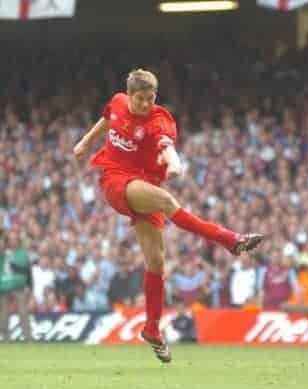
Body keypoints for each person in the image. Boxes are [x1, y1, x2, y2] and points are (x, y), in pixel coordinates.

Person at [73, 69, 265, 363]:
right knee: (165, 200)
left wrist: (174, 164)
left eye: (151, 98)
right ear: (130, 95)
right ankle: (229, 240)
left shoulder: (158, 120)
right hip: (115, 180)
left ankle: (152, 329)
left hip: (144, 182)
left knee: (156, 262)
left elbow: (167, 146)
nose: (146, 104)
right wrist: (86, 142)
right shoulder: (118, 102)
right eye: (140, 99)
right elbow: (107, 118)